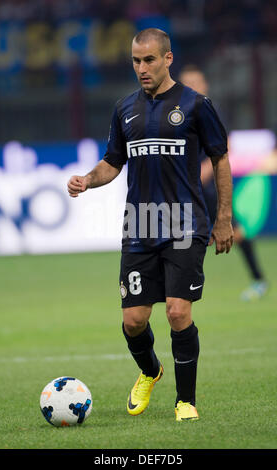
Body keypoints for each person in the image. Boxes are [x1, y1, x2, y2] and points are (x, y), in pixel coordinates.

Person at [67, 28, 234, 421]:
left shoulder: (196, 105)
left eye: (149, 60)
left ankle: (185, 401)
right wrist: (88, 180)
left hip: (185, 224)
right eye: (136, 62)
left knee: (178, 312)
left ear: (168, 58)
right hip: (138, 227)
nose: (142, 68)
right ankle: (149, 371)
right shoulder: (125, 108)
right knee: (133, 321)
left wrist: (224, 216)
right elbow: (112, 162)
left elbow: (220, 158)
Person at [179, 64, 268, 301]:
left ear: (204, 85)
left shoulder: (209, 110)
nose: (191, 87)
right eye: (186, 83)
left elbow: (222, 148)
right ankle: (178, 287)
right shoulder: (176, 113)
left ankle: (259, 280)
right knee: (186, 237)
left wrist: (205, 171)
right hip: (185, 187)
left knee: (232, 232)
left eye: (195, 82)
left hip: (207, 187)